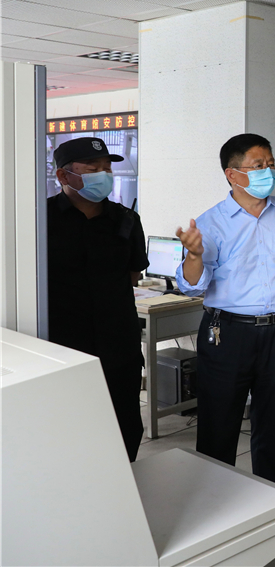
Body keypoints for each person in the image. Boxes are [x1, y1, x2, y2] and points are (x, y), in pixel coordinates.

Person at [175, 133, 275, 490]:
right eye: (258, 166)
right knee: (219, 421)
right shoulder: (211, 222)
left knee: (274, 420)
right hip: (228, 333)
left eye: (271, 164)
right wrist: (194, 255)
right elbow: (192, 286)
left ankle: (270, 496)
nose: (268, 171)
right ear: (232, 174)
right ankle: (215, 499)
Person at [47, 137, 147, 462]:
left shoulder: (126, 220)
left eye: (107, 169)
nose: (104, 175)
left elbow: (132, 276)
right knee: (68, 433)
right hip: (63, 350)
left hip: (119, 348)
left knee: (125, 428)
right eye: (93, 169)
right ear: (63, 176)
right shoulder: (40, 221)